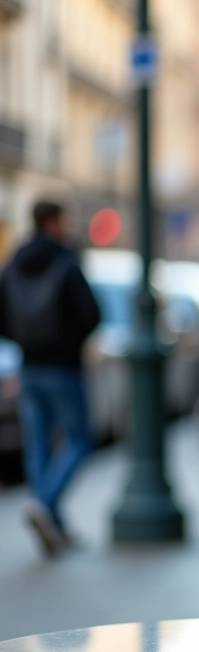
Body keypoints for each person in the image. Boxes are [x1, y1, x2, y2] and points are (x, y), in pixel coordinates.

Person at [0, 200, 100, 555]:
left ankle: (51, 523)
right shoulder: (65, 261)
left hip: (28, 366)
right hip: (64, 366)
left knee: (39, 443)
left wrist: (26, 342)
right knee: (79, 438)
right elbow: (91, 313)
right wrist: (67, 342)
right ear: (55, 221)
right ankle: (44, 504)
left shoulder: (13, 263)